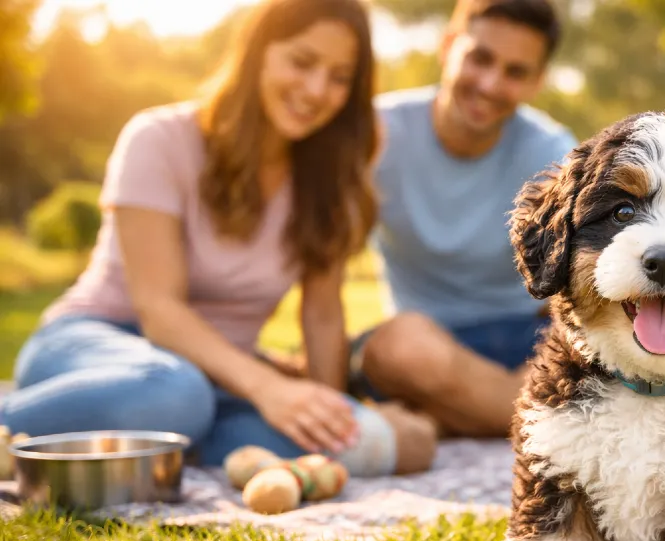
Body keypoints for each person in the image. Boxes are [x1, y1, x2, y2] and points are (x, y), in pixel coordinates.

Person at [0, 0, 436, 475]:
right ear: (258, 52)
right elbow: (159, 311)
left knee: (382, 446)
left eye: (339, 77)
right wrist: (267, 387)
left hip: (218, 380)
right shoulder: (158, 139)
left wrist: (327, 411)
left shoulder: (331, 182)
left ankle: (157, 441)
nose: (316, 90)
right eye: (302, 62)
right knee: (173, 392)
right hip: (98, 348)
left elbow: (323, 315)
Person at [348, 0, 578, 438]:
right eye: (480, 58)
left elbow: (575, 286)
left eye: (515, 72)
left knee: (582, 353)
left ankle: (450, 417)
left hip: (523, 337)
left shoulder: (552, 153)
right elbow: (320, 257)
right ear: (449, 45)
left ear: (536, 82)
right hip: (425, 346)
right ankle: (543, 420)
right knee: (396, 350)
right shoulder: (377, 134)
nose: (491, 84)